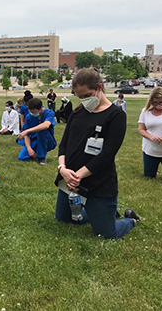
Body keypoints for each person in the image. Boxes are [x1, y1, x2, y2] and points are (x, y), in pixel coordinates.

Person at [55, 68, 139, 239]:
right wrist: (63, 169)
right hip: (70, 179)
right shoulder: (77, 112)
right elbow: (64, 145)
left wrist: (77, 176)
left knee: (107, 234)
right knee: (64, 219)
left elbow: (107, 155)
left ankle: (130, 220)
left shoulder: (116, 115)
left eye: (87, 95)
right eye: (80, 97)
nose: (84, 100)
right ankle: (104, 214)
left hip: (97, 182)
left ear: (99, 87)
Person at [17, 98, 57, 165]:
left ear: (41, 108)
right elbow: (27, 135)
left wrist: (27, 131)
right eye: (31, 112)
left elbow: (46, 125)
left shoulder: (49, 113)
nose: (32, 114)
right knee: (22, 157)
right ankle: (36, 153)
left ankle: (42, 157)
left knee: (41, 129)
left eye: (34, 112)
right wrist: (29, 149)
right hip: (34, 140)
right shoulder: (29, 117)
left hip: (48, 140)